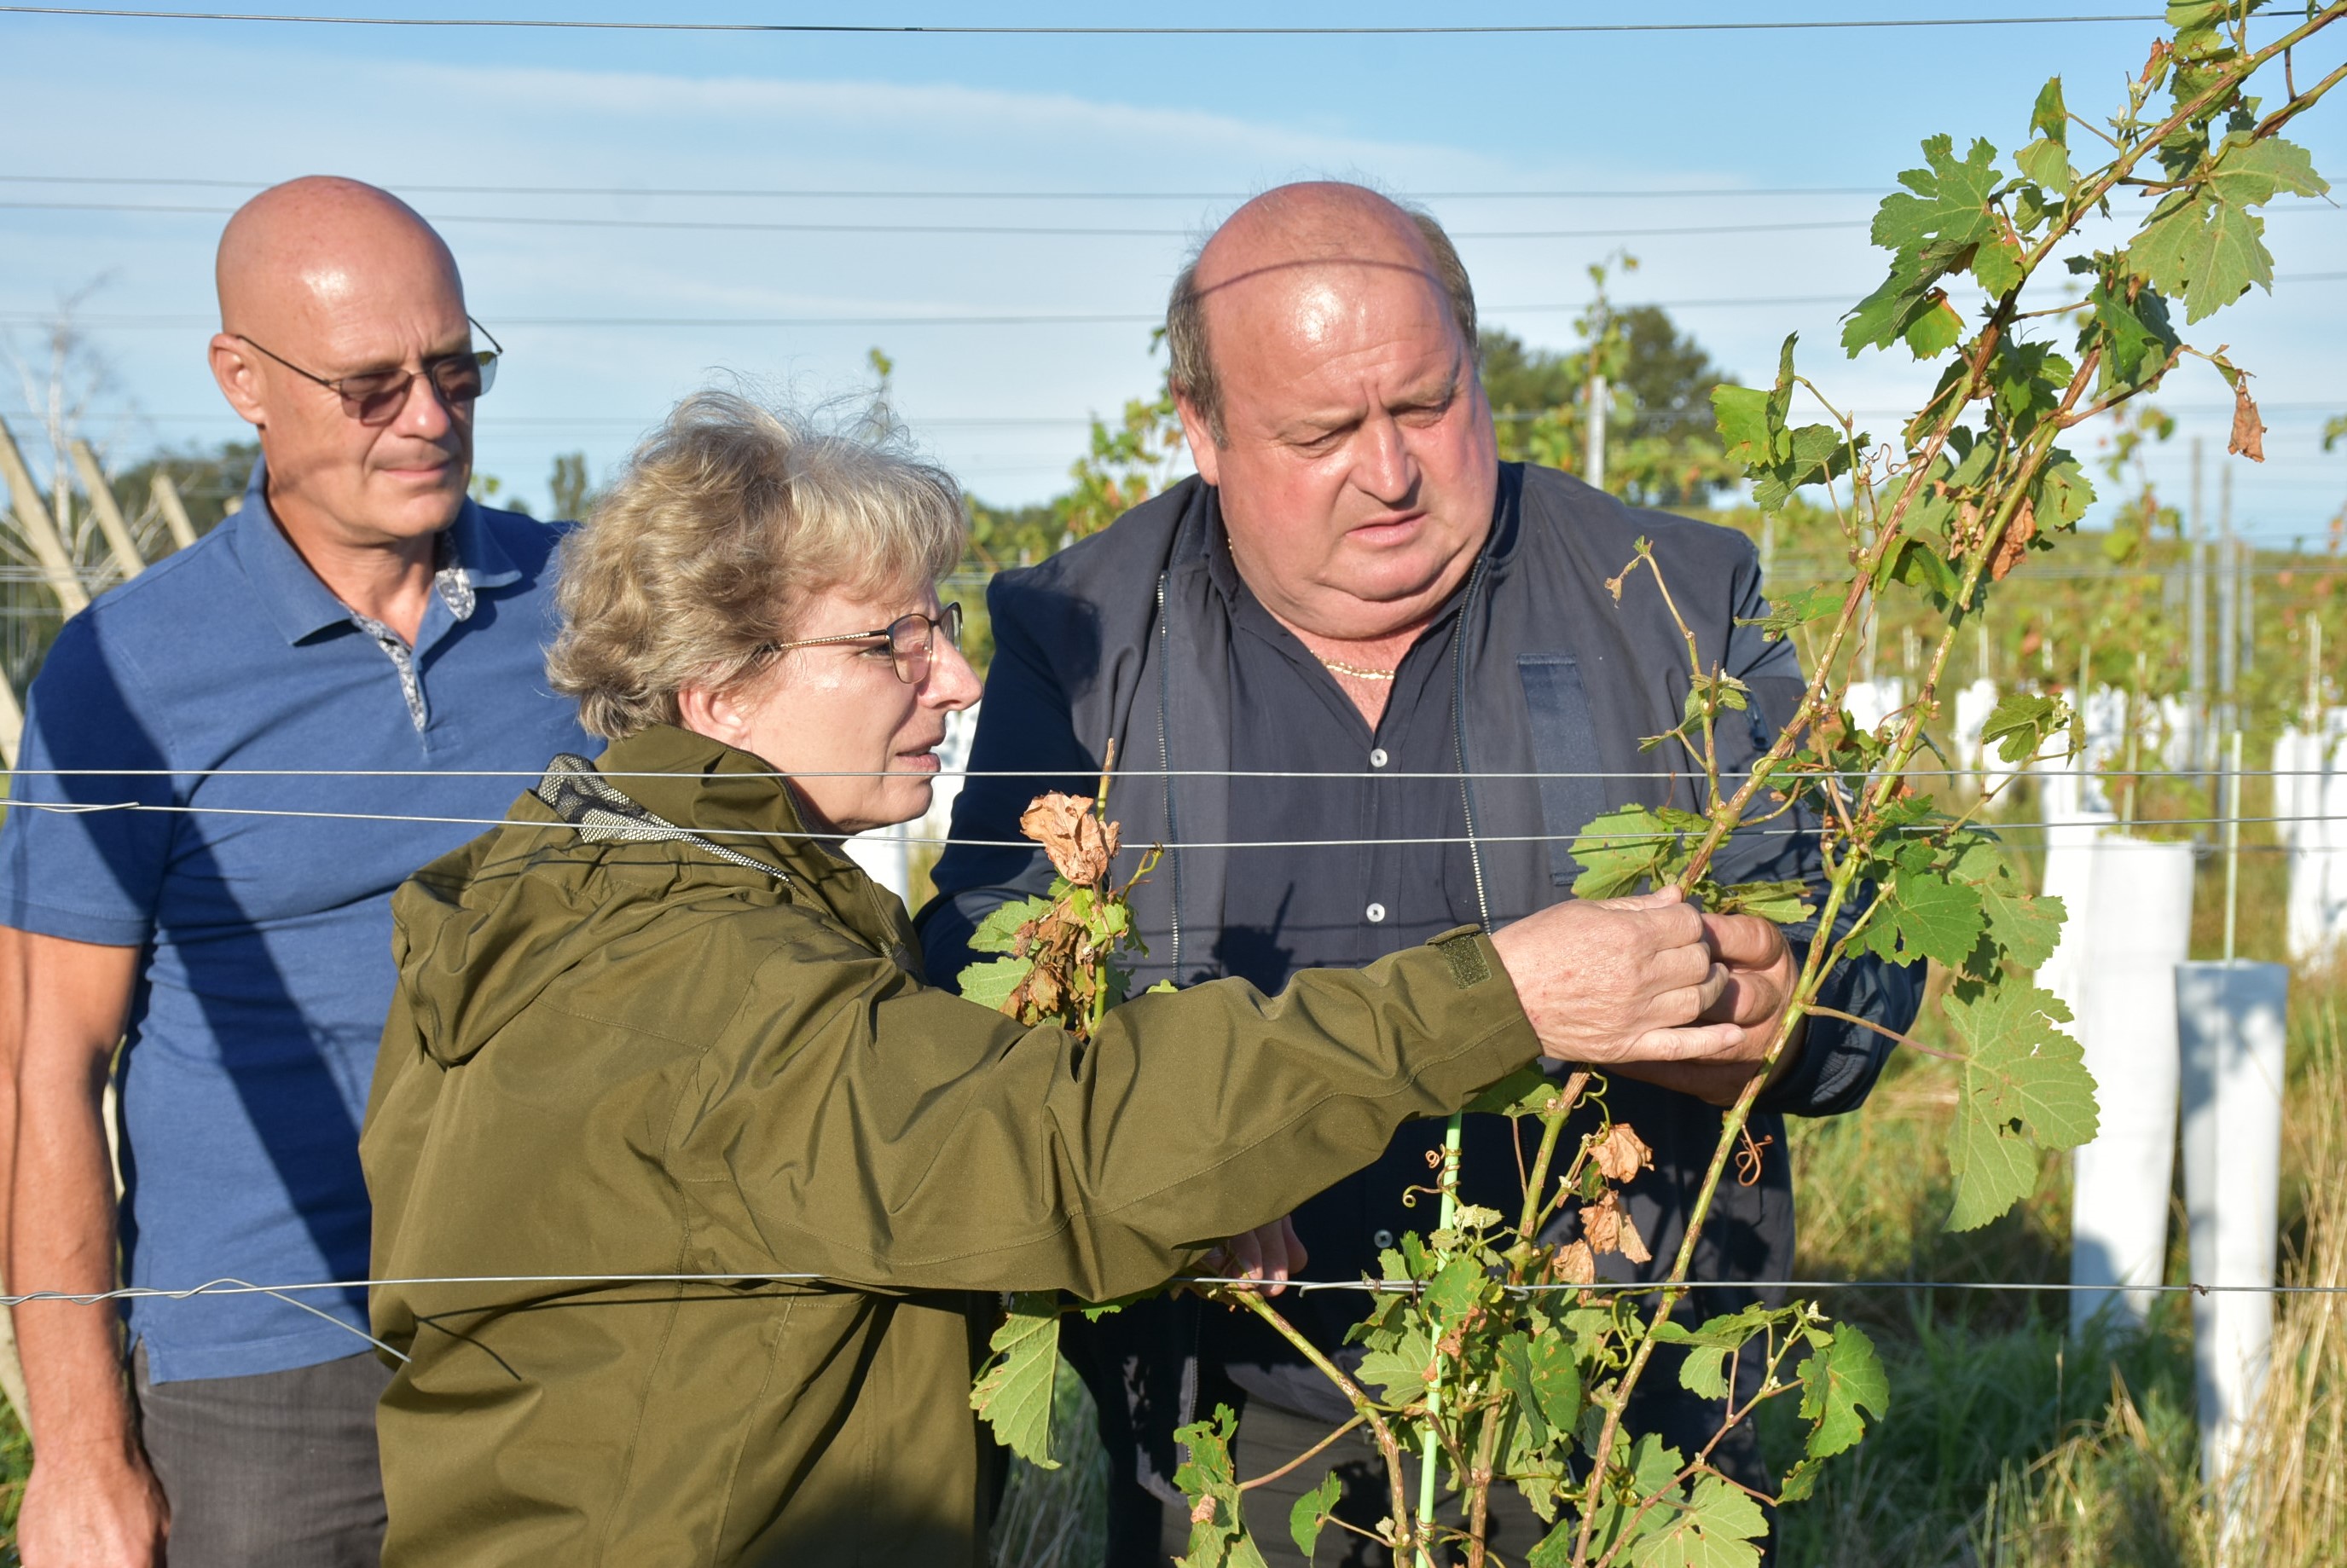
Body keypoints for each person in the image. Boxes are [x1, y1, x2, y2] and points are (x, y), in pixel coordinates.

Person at [358, 391, 1766, 1566]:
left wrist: (1178, 1194)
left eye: (941, 620)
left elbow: (890, 1171)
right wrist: (1494, 996)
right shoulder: (686, 956)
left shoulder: (607, 874)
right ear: (720, 693)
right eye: (888, 643)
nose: (957, 678)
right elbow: (1051, 1148)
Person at [919, 182, 1926, 1564]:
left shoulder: (1682, 599)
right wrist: (1157, 1127)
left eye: (1427, 406)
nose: (1389, 472)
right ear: (1201, 429)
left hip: (1618, 1412)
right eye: (1323, 433)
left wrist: (1790, 1004)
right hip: (1238, 1429)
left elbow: (1866, 947)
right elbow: (984, 966)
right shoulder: (1082, 635)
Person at [1, 176, 592, 1568]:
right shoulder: (131, 674)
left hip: (562, 1326)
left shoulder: (592, 612)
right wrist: (82, 1454)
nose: (433, 419)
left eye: (458, 370)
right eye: (374, 386)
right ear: (243, 382)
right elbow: (44, 1070)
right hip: (266, 1372)